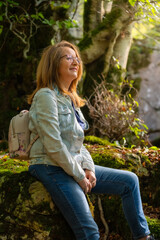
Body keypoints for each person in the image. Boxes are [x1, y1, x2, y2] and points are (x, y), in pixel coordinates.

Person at [28, 40, 155, 240]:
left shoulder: (71, 99)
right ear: (53, 64)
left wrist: (89, 169)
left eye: (77, 58)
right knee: (89, 232)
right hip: (49, 166)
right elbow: (52, 144)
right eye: (68, 57)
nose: (75, 61)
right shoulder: (46, 96)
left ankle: (143, 237)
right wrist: (79, 175)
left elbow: (78, 143)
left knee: (130, 181)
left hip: (71, 165)